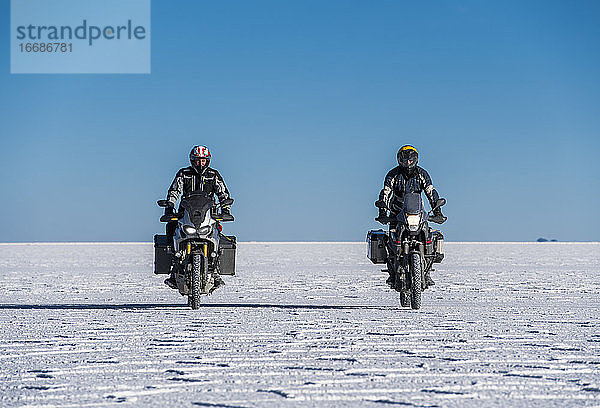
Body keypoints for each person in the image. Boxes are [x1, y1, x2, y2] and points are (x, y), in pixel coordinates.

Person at [163, 145, 234, 289]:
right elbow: (175, 190)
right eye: (197, 160)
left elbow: (222, 192)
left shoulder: (213, 175)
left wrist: (225, 207)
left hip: (208, 214)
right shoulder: (184, 173)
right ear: (192, 160)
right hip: (186, 213)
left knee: (217, 232)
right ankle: (173, 268)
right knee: (171, 227)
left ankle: (216, 271)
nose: (200, 163)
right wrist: (169, 206)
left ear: (208, 161)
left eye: (203, 160)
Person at [375, 145, 446, 287]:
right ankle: (392, 273)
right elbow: (386, 192)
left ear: (415, 160)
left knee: (429, 237)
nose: (408, 163)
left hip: (417, 212)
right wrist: (383, 211)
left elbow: (430, 191)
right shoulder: (393, 175)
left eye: (410, 160)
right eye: (405, 160)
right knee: (391, 242)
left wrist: (437, 210)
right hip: (397, 212)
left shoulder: (422, 174)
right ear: (399, 160)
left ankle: (426, 273)